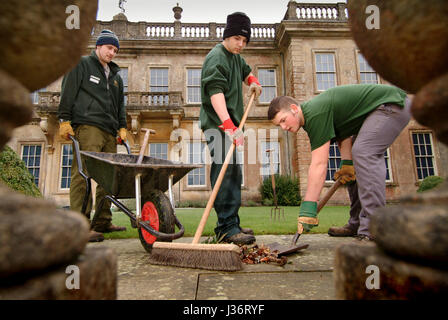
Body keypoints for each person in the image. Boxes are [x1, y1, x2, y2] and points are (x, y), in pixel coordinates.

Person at [268, 84, 412, 241]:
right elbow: (343, 134)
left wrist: (308, 208)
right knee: (354, 167)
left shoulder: (315, 113)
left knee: (364, 152)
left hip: (391, 105)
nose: (284, 127)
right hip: (376, 113)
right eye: (279, 125)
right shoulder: (311, 117)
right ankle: (356, 224)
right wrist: (347, 163)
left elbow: (319, 165)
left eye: (283, 120)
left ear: (294, 108)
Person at [58, 29, 128, 242]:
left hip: (109, 131)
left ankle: (102, 220)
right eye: (109, 48)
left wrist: (122, 127)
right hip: (88, 127)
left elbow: (119, 106)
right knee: (84, 173)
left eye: (115, 50)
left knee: (109, 177)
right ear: (98, 46)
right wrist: (64, 120)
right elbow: (68, 91)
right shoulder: (81, 65)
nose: (112, 53)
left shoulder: (116, 77)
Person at [200, 12, 262, 245]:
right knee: (225, 171)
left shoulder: (236, 57)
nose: (241, 44)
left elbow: (246, 71)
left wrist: (253, 82)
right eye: (237, 38)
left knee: (234, 171)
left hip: (231, 124)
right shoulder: (216, 57)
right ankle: (226, 228)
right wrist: (228, 125)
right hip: (218, 124)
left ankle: (231, 222)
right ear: (227, 36)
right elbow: (215, 93)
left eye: (245, 41)